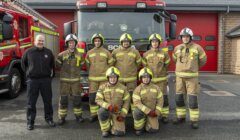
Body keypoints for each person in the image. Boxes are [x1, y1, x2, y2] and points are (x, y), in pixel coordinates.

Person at [172, 27, 207, 129]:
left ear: (191, 37)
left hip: (192, 78)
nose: (185, 38)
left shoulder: (197, 48)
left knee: (192, 100)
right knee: (179, 99)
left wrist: (194, 67)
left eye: (187, 36)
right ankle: (180, 117)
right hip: (179, 78)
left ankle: (194, 120)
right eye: (183, 37)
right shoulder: (177, 48)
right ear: (181, 37)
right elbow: (175, 59)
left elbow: (203, 60)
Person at [21, 34, 55, 130]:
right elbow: (23, 64)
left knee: (48, 101)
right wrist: (29, 73)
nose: (41, 42)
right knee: (31, 103)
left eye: (42, 41)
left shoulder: (48, 52)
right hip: (33, 81)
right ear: (35, 41)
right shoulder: (29, 52)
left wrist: (49, 77)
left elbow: (52, 65)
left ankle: (49, 119)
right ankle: (30, 122)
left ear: (44, 42)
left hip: (45, 80)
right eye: (39, 40)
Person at [56, 34, 85, 125]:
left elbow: (82, 65)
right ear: (67, 44)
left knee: (77, 99)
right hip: (65, 81)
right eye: (70, 43)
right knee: (63, 100)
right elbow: (58, 65)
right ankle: (62, 118)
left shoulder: (80, 55)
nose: (71, 44)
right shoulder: (61, 55)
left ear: (75, 43)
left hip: (76, 81)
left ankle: (78, 116)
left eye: (73, 42)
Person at [142, 33, 171, 123]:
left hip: (162, 80)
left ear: (159, 43)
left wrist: (162, 74)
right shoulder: (146, 54)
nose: (154, 43)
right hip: (150, 81)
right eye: (153, 42)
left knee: (164, 98)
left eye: (156, 42)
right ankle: (153, 115)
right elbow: (144, 67)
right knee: (151, 98)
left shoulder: (164, 54)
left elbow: (167, 65)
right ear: (151, 43)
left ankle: (165, 115)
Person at [85, 33, 114, 122]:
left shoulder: (106, 52)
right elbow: (87, 66)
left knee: (105, 98)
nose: (97, 42)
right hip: (93, 80)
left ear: (101, 42)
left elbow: (111, 64)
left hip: (104, 80)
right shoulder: (89, 53)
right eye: (95, 41)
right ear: (93, 42)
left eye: (99, 41)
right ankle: (93, 115)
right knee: (93, 98)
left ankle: (105, 114)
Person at [95, 66, 130, 137]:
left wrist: (123, 114)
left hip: (118, 112)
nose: (113, 79)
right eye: (111, 77)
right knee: (101, 112)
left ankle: (113, 124)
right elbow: (98, 100)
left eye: (114, 77)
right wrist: (108, 106)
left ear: (117, 78)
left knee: (119, 133)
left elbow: (127, 102)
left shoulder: (123, 88)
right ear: (108, 78)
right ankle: (105, 130)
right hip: (107, 110)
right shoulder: (102, 87)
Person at [112, 33, 141, 111]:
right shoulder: (115, 52)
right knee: (119, 95)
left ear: (130, 42)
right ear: (121, 42)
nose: (126, 43)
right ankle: (120, 110)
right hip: (119, 79)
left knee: (132, 96)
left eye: (127, 41)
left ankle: (133, 111)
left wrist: (132, 71)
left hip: (131, 79)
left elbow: (138, 64)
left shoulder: (135, 52)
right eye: (124, 41)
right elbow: (112, 64)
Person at [132, 67, 163, 136]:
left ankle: (148, 122)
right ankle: (139, 128)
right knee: (137, 112)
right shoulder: (137, 89)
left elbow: (160, 100)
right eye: (144, 77)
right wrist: (148, 111)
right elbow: (137, 103)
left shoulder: (156, 88)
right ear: (141, 78)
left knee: (153, 130)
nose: (146, 79)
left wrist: (157, 111)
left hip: (153, 112)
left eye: (148, 77)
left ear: (150, 78)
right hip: (142, 111)